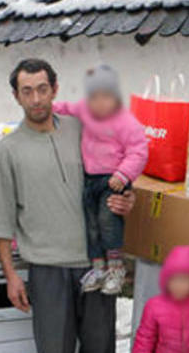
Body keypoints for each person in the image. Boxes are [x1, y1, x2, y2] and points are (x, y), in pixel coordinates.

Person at [0, 58, 135, 353]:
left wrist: (126, 198)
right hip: (48, 266)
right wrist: (11, 274)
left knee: (100, 348)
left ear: (55, 88)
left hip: (96, 263)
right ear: (16, 96)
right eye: (26, 91)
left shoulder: (83, 130)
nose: (36, 98)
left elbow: (116, 174)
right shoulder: (8, 150)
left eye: (42, 88)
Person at [53, 64, 148, 295]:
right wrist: (47, 107)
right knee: (92, 225)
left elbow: (138, 151)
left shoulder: (125, 122)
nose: (100, 102)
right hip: (89, 179)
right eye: (94, 96)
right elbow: (66, 108)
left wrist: (123, 175)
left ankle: (116, 269)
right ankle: (98, 268)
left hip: (113, 179)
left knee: (108, 222)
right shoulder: (85, 110)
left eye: (106, 96)